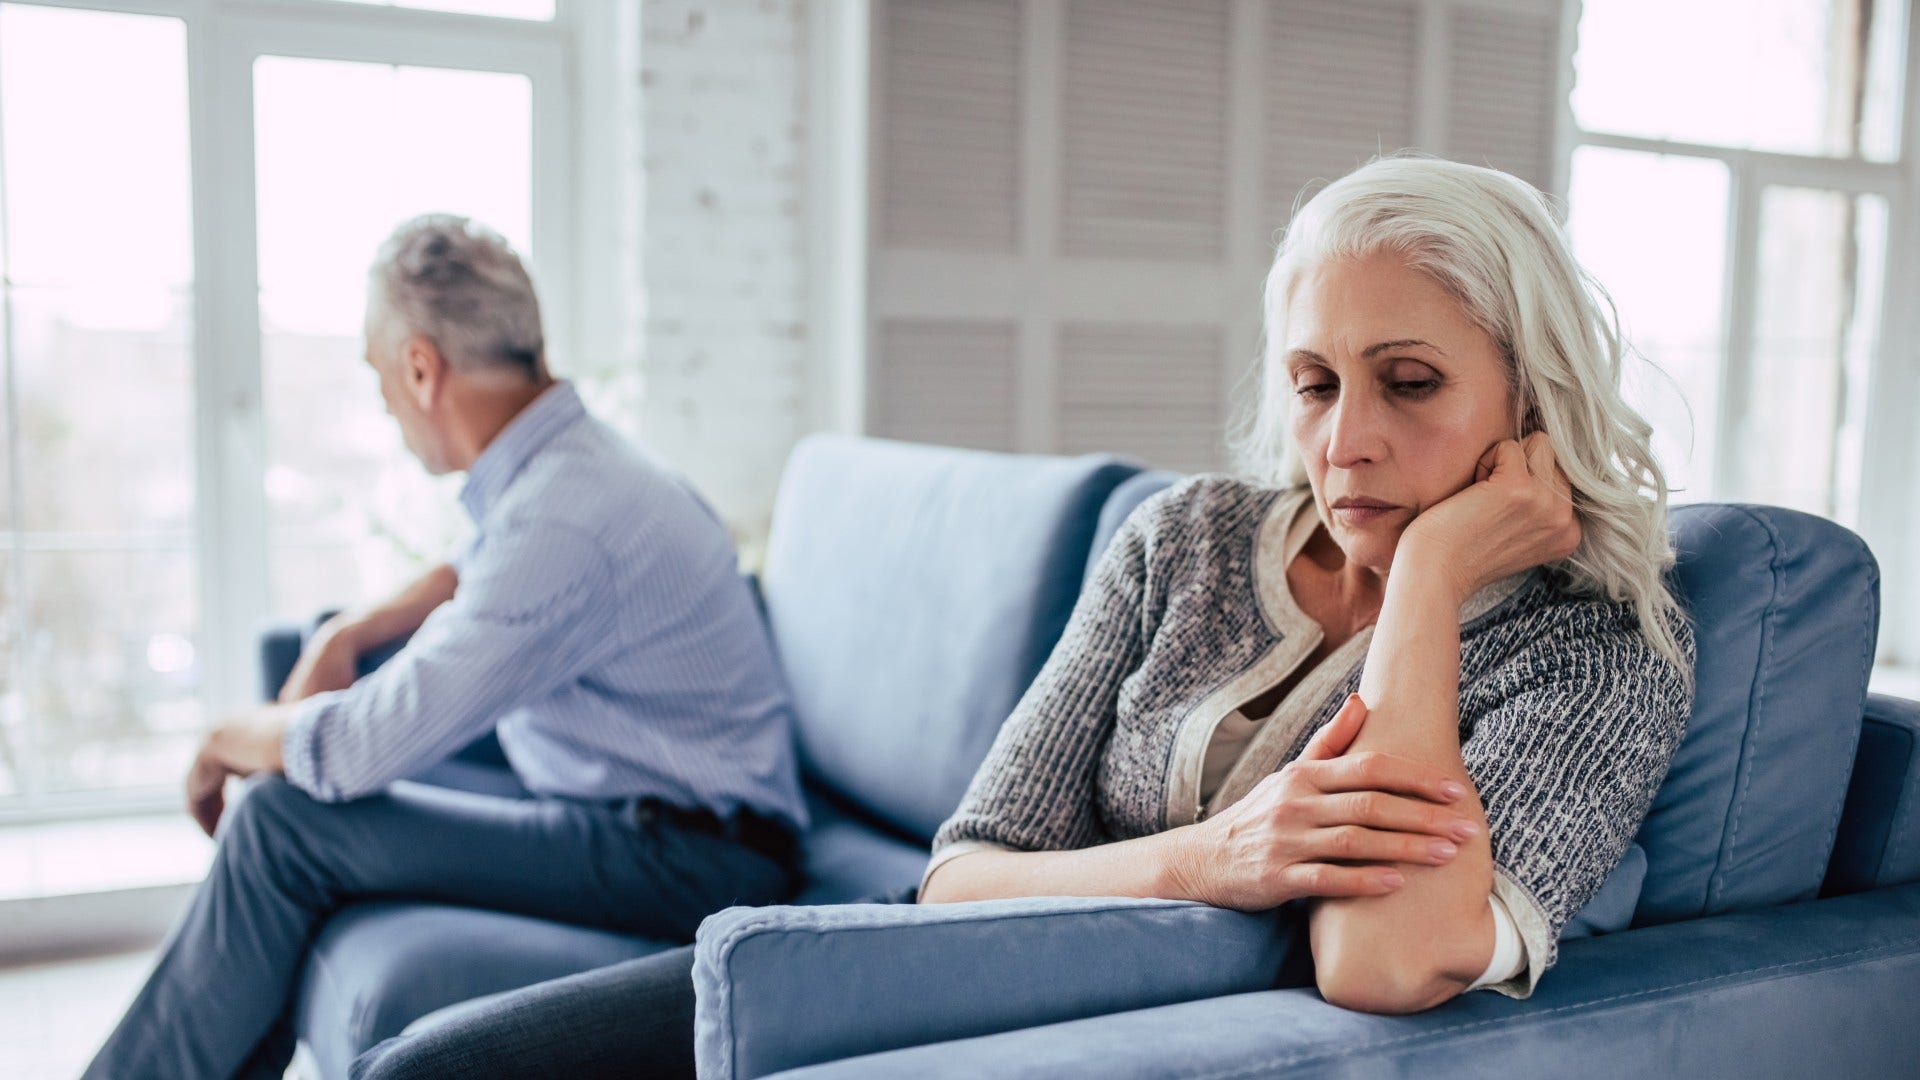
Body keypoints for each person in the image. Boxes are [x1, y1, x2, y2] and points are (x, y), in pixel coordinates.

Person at [352, 155, 1695, 1079]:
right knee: (436, 1067)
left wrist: (1432, 585)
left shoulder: (1597, 655)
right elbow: (959, 876)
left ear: (1533, 399)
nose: (1345, 442)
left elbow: (1384, 957)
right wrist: (1214, 859)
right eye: (1314, 382)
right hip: (930, 986)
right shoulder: (1189, 537)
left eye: (1409, 383)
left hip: (1084, 1049)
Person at [84, 214, 808, 1080]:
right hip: (638, 811)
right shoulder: (571, 468)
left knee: (285, 819)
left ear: (421, 368)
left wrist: (217, 743)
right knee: (306, 803)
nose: (384, 403)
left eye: (377, 375)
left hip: (692, 859)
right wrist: (348, 631)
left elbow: (353, 748)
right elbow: (469, 569)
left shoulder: (565, 513)